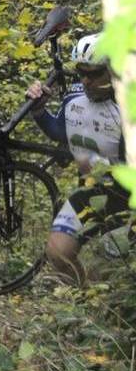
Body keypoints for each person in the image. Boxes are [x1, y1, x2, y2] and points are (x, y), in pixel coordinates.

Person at [26, 32, 128, 285]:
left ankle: (108, 314)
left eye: (94, 73)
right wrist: (39, 110)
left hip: (128, 200)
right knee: (58, 253)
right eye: (81, 72)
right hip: (90, 193)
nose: (86, 80)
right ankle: (83, 308)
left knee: (107, 270)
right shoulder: (73, 96)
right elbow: (61, 132)